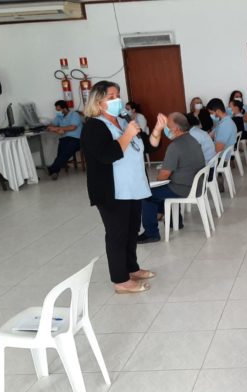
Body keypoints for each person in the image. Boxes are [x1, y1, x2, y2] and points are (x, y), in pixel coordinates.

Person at [81, 81, 159, 294]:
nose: (118, 100)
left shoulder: (124, 122)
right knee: (117, 233)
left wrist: (154, 130)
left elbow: (144, 146)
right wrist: (127, 135)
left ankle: (131, 268)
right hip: (111, 191)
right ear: (98, 102)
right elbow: (107, 156)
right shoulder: (94, 127)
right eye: (111, 97)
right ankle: (120, 280)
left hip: (132, 186)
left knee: (132, 230)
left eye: (118, 95)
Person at [137, 112, 206, 243]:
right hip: (196, 185)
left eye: (167, 126)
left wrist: (156, 185)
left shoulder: (175, 146)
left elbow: (163, 175)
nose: (165, 129)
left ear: (176, 129)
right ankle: (175, 221)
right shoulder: (192, 139)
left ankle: (151, 233)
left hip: (185, 188)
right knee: (165, 188)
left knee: (147, 194)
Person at [46, 100, 83, 180]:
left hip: (76, 139)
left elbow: (73, 127)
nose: (58, 112)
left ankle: (52, 169)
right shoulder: (59, 117)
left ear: (64, 108)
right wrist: (50, 127)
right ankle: (54, 171)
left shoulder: (74, 114)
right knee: (61, 154)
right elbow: (52, 125)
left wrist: (58, 128)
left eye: (59, 110)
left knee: (65, 153)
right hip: (64, 139)